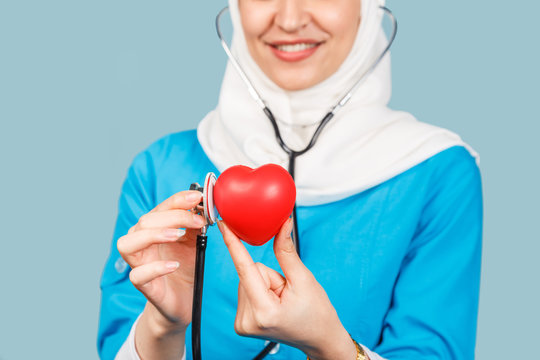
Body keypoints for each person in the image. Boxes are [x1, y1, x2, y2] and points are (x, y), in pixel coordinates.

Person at [98, 0, 483, 359]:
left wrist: (331, 345)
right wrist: (161, 328)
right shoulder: (160, 168)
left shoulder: (437, 172)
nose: (289, 19)